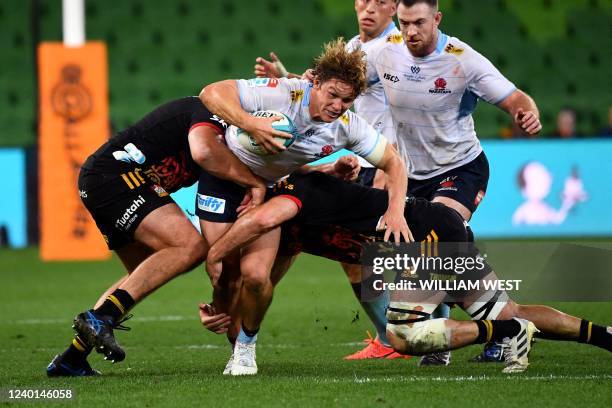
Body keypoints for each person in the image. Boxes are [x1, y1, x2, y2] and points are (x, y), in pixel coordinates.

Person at [201, 170, 612, 374]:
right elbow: (264, 284)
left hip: (426, 236)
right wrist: (230, 317)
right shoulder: (288, 232)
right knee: (508, 309)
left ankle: (506, 334)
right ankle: (604, 337)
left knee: (403, 335)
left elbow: (257, 223)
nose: (243, 206)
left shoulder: (292, 194)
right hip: (440, 230)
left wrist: (214, 253)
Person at [197, 38, 411, 375]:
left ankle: (245, 351)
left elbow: (394, 163)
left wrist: (395, 210)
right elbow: (210, 93)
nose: (338, 105)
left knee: (255, 276)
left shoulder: (347, 127)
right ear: (315, 83)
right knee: (225, 275)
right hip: (224, 178)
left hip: (270, 189)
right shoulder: (282, 92)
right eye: (332, 94)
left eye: (347, 99)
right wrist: (252, 124)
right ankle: (222, 314)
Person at [363, 0, 542, 364]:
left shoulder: (464, 60)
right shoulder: (384, 53)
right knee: (427, 255)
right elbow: (345, 81)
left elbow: (514, 98)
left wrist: (528, 113)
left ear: (437, 19)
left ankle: (495, 333)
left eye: (419, 23)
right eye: (404, 23)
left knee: (440, 244)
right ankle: (485, 329)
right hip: (411, 175)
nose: (410, 32)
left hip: (460, 169)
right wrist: (298, 83)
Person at [46, 97, 267, 377]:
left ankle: (72, 359)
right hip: (117, 177)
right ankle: (102, 317)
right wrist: (254, 183)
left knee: (143, 275)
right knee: (191, 247)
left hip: (102, 181)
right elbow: (203, 152)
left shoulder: (228, 142)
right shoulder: (209, 115)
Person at [253, 0, 405, 360]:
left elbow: (405, 111)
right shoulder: (354, 47)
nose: (369, 8)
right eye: (364, 0)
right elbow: (328, 92)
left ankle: (466, 328)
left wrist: (388, 170)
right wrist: (289, 79)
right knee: (357, 254)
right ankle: (392, 339)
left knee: (401, 250)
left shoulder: (397, 51)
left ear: (394, 8)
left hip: (389, 160)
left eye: (380, 2)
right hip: (365, 160)